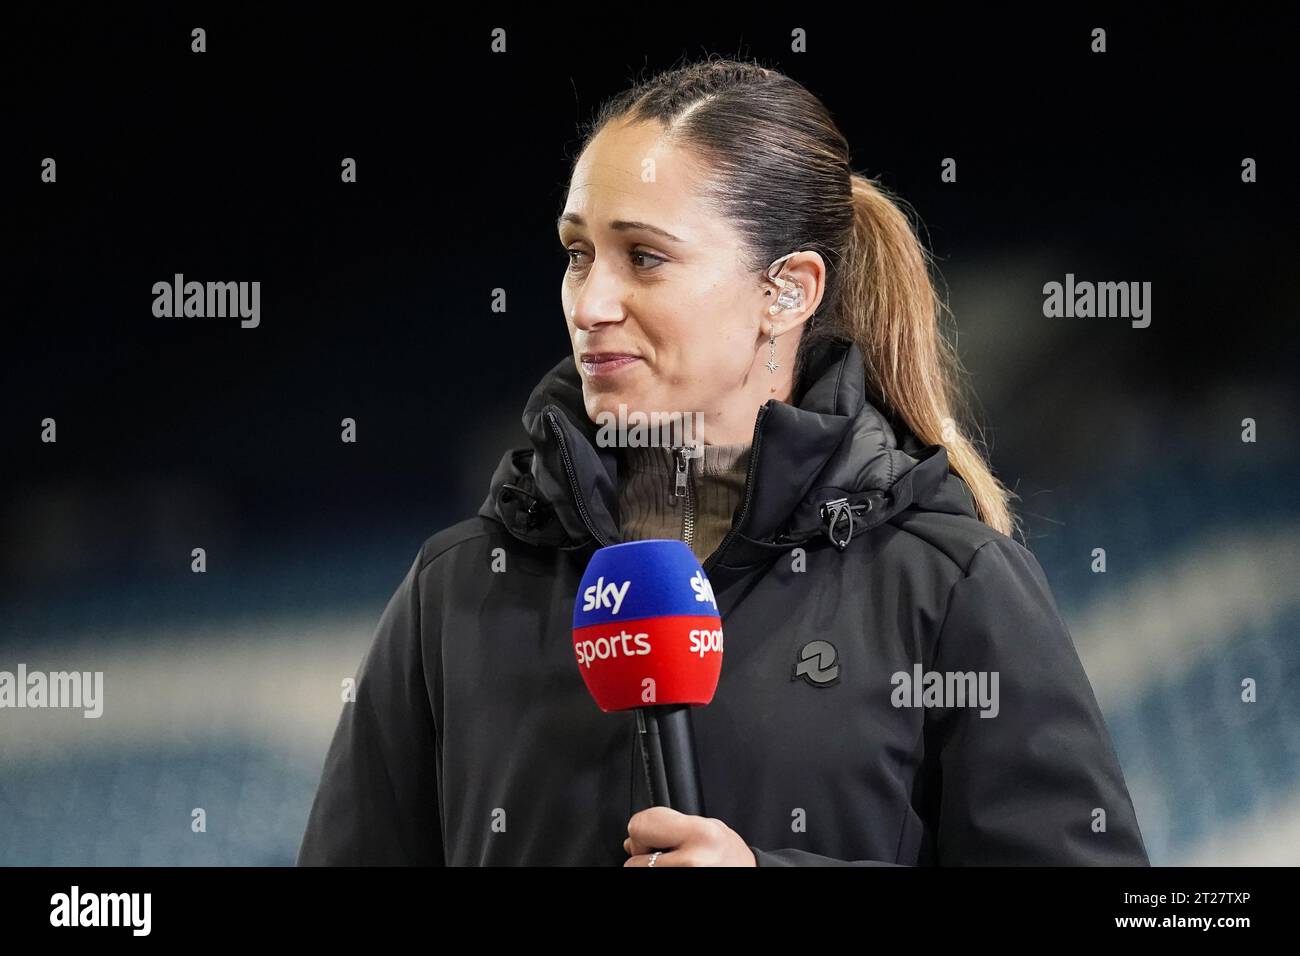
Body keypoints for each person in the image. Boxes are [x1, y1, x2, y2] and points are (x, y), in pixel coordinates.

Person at [296, 57, 1149, 866]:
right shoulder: (456, 589)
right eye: (577, 254)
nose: (591, 303)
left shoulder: (947, 585)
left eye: (645, 257)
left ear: (787, 291)